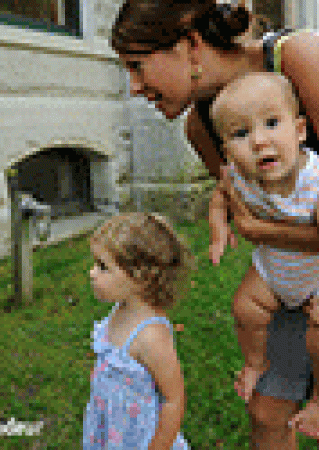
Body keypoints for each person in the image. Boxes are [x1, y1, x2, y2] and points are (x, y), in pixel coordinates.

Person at [110, 1, 319, 447]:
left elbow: (257, 226)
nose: (134, 87)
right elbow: (247, 207)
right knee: (267, 414)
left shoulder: (299, 59)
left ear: (189, 46)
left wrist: (261, 233)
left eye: (137, 65)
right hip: (297, 278)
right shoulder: (202, 128)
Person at [209, 68, 319, 433]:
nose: (259, 141)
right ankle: (255, 363)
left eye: (272, 123)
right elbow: (219, 198)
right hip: (273, 273)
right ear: (228, 150)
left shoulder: (315, 181)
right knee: (244, 307)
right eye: (242, 133)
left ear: (300, 131)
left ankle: (318, 400)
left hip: (315, 276)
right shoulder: (238, 176)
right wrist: (218, 230)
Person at [83, 213, 195, 449]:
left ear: (141, 276)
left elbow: (174, 399)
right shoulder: (119, 309)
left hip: (139, 439)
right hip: (111, 428)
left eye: (103, 267)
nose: (92, 273)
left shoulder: (151, 336)